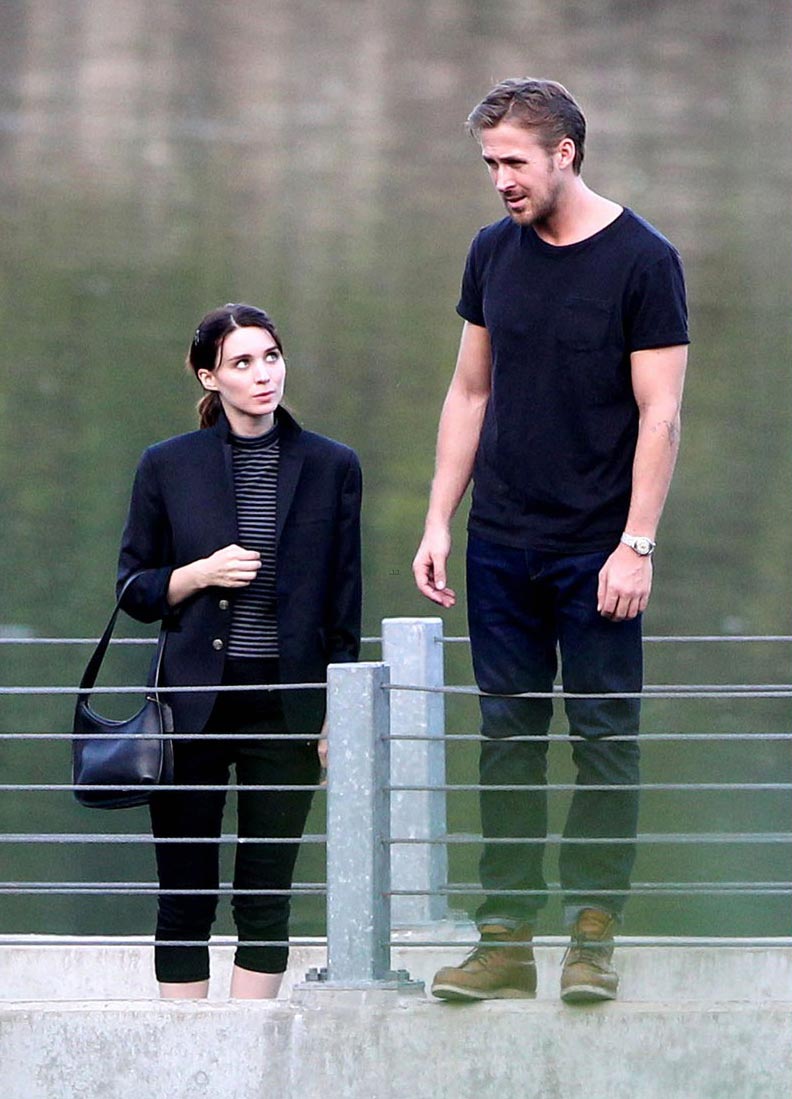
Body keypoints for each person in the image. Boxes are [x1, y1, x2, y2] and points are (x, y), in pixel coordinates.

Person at [413, 79, 688, 1003]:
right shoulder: (492, 251)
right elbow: (470, 392)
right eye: (490, 163)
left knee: (605, 739)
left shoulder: (644, 260)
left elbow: (661, 415)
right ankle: (504, 940)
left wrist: (636, 543)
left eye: (514, 162)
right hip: (500, 543)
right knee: (507, 738)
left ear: (565, 152)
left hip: (599, 548)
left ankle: (592, 937)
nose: (501, 180)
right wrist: (438, 519)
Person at [117, 303, 362, 999]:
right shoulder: (168, 464)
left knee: (265, 894)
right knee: (184, 893)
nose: (263, 375)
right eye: (242, 362)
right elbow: (134, 588)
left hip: (287, 706)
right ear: (210, 377)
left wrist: (337, 709)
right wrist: (200, 573)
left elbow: (344, 601)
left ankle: (249, 1047)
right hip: (190, 706)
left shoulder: (332, 465)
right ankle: (187, 1047)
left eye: (271, 357)